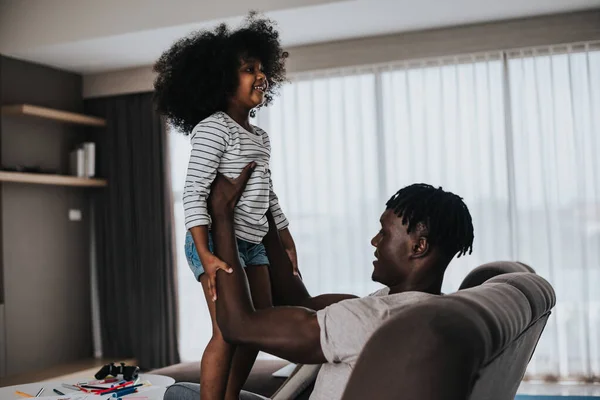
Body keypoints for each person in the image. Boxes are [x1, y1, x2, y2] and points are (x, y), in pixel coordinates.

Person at [164, 166, 475, 400]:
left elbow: (238, 326)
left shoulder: (373, 321)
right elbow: (296, 301)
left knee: (178, 395)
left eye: (385, 233)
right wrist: (265, 210)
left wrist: (222, 215)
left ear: (418, 247)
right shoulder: (407, 310)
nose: (374, 241)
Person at [153, 13, 300, 400]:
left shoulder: (261, 137)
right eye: (249, 69)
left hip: (251, 243)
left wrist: (285, 240)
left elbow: (268, 195)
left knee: (256, 329)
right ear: (221, 80)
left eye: (263, 68)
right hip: (216, 246)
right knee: (227, 332)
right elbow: (194, 192)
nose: (261, 75)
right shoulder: (212, 128)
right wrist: (205, 253)